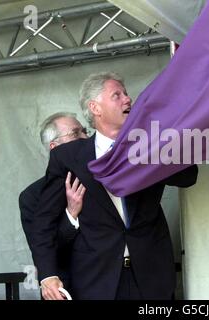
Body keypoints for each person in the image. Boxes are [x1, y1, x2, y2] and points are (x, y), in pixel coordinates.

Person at [31, 72, 198, 300]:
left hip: (151, 276)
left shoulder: (150, 145)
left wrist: (156, 144)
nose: (127, 99)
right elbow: (43, 222)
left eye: (126, 94)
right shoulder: (68, 156)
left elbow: (188, 176)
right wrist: (48, 275)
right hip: (97, 280)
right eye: (116, 95)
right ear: (95, 108)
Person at [19, 112, 88, 295]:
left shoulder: (100, 180)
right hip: (68, 290)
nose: (85, 137)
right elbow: (45, 249)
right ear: (54, 147)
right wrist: (71, 215)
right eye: (75, 133)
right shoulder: (32, 196)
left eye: (85, 131)